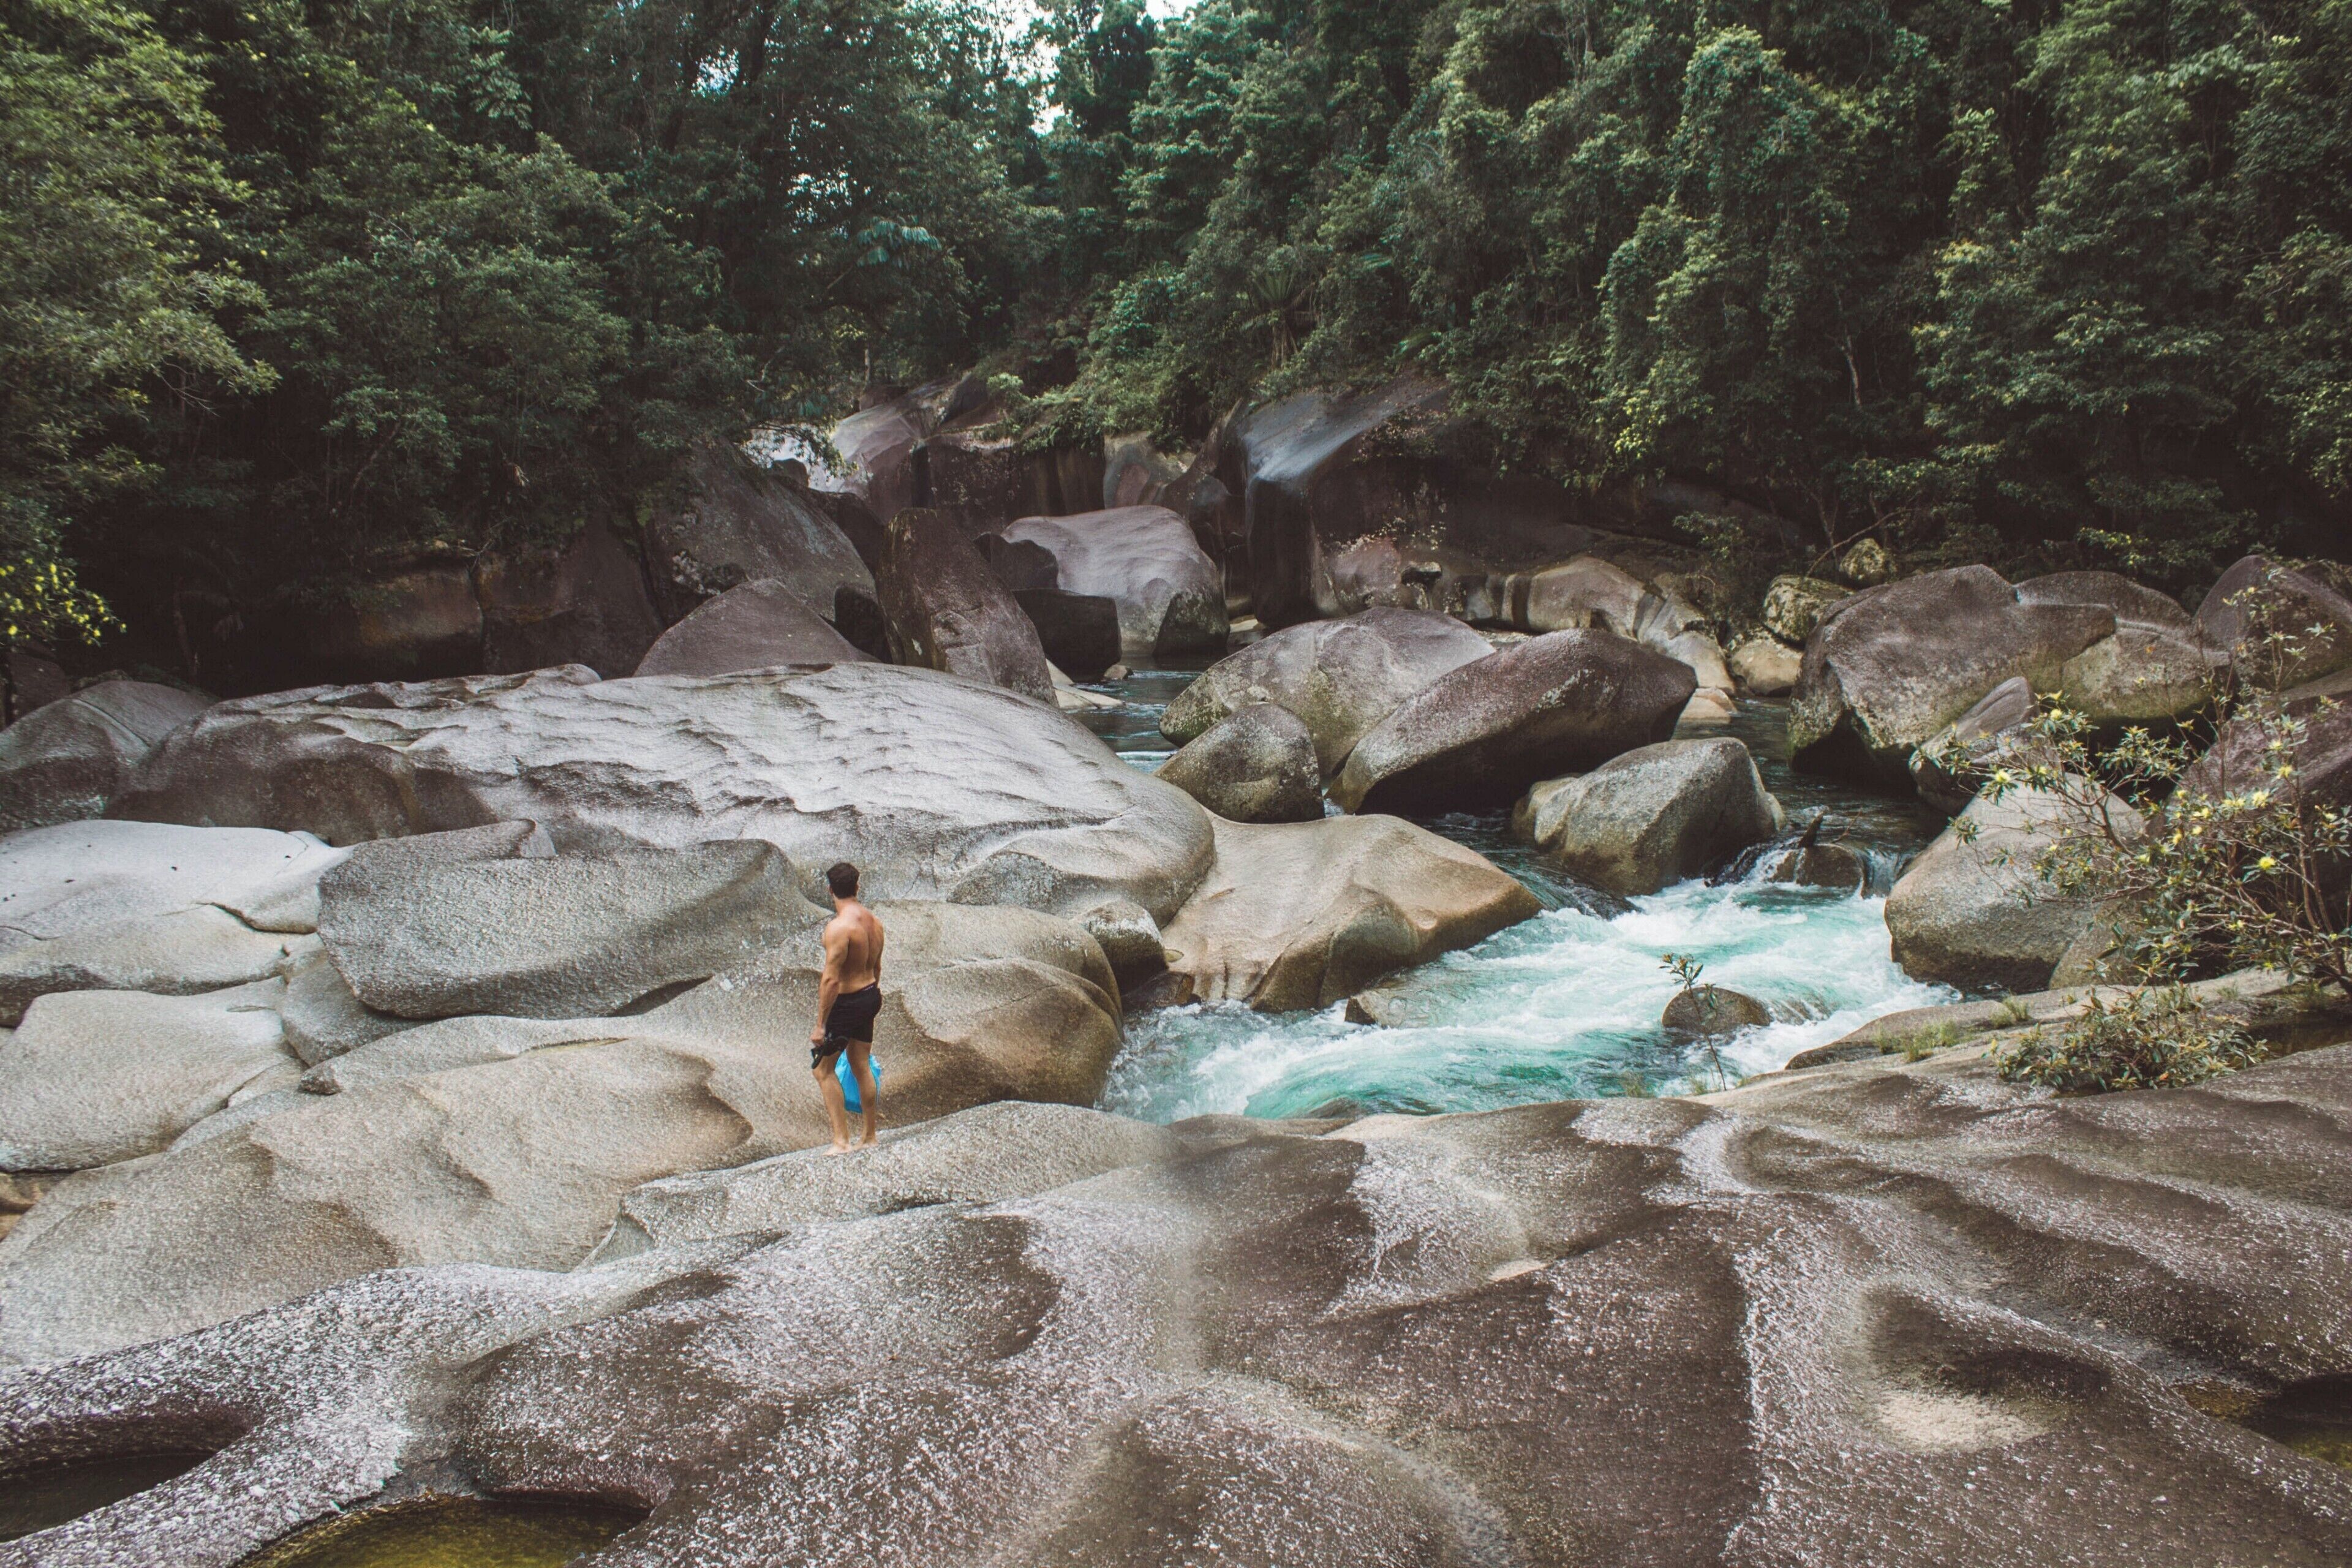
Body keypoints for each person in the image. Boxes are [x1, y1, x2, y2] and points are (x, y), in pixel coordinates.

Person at [810, 861, 885, 1153]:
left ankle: (841, 1142)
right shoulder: (874, 922)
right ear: (857, 886)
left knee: (823, 1070)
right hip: (870, 994)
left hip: (848, 1001)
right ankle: (869, 1137)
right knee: (860, 1065)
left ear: (830, 890)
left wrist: (821, 1025)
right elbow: (877, 966)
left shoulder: (839, 928)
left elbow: (830, 980)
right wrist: (869, 999)